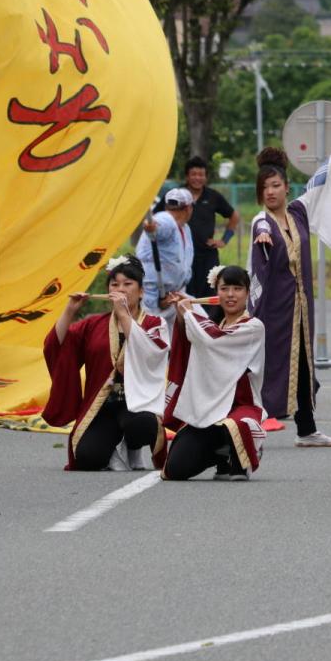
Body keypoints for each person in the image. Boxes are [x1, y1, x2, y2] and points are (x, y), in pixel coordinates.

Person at [248, 146, 331, 448]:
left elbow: (318, 183)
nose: (270, 191)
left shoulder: (298, 213)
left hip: (300, 309)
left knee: (303, 365)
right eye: (265, 187)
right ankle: (247, 426)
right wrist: (263, 235)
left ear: (287, 187)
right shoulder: (261, 221)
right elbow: (261, 228)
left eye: (275, 185)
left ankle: (307, 429)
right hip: (273, 311)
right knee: (267, 368)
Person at [42, 255, 169, 471]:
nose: (121, 289)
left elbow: (150, 351)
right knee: (86, 458)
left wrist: (123, 314)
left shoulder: (155, 323)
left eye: (128, 284)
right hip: (102, 405)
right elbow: (57, 346)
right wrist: (70, 310)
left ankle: (132, 446)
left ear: (141, 291)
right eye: (115, 284)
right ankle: (112, 447)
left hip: (138, 403)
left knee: (141, 425)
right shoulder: (93, 324)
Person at [162, 266, 267, 481]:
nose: (230, 294)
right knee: (174, 470)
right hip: (208, 405)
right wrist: (182, 316)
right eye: (224, 288)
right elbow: (194, 342)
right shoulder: (211, 325)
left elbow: (213, 340)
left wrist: (188, 313)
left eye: (237, 288)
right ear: (216, 292)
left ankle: (242, 454)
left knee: (236, 424)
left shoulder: (254, 327)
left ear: (248, 293)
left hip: (240, 405)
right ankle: (221, 455)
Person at [154, 157, 238, 300]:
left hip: (207, 257)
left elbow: (234, 216)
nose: (197, 178)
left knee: (210, 297)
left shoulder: (213, 196)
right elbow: (156, 218)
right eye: (194, 174)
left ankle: (209, 316)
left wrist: (224, 240)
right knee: (183, 297)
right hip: (180, 256)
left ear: (206, 177)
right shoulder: (174, 195)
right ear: (187, 176)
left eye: (201, 175)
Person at [137, 187, 195, 322]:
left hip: (174, 296)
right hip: (154, 298)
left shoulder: (185, 228)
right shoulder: (166, 219)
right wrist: (152, 227)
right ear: (188, 208)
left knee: (198, 323)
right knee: (151, 331)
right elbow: (158, 226)